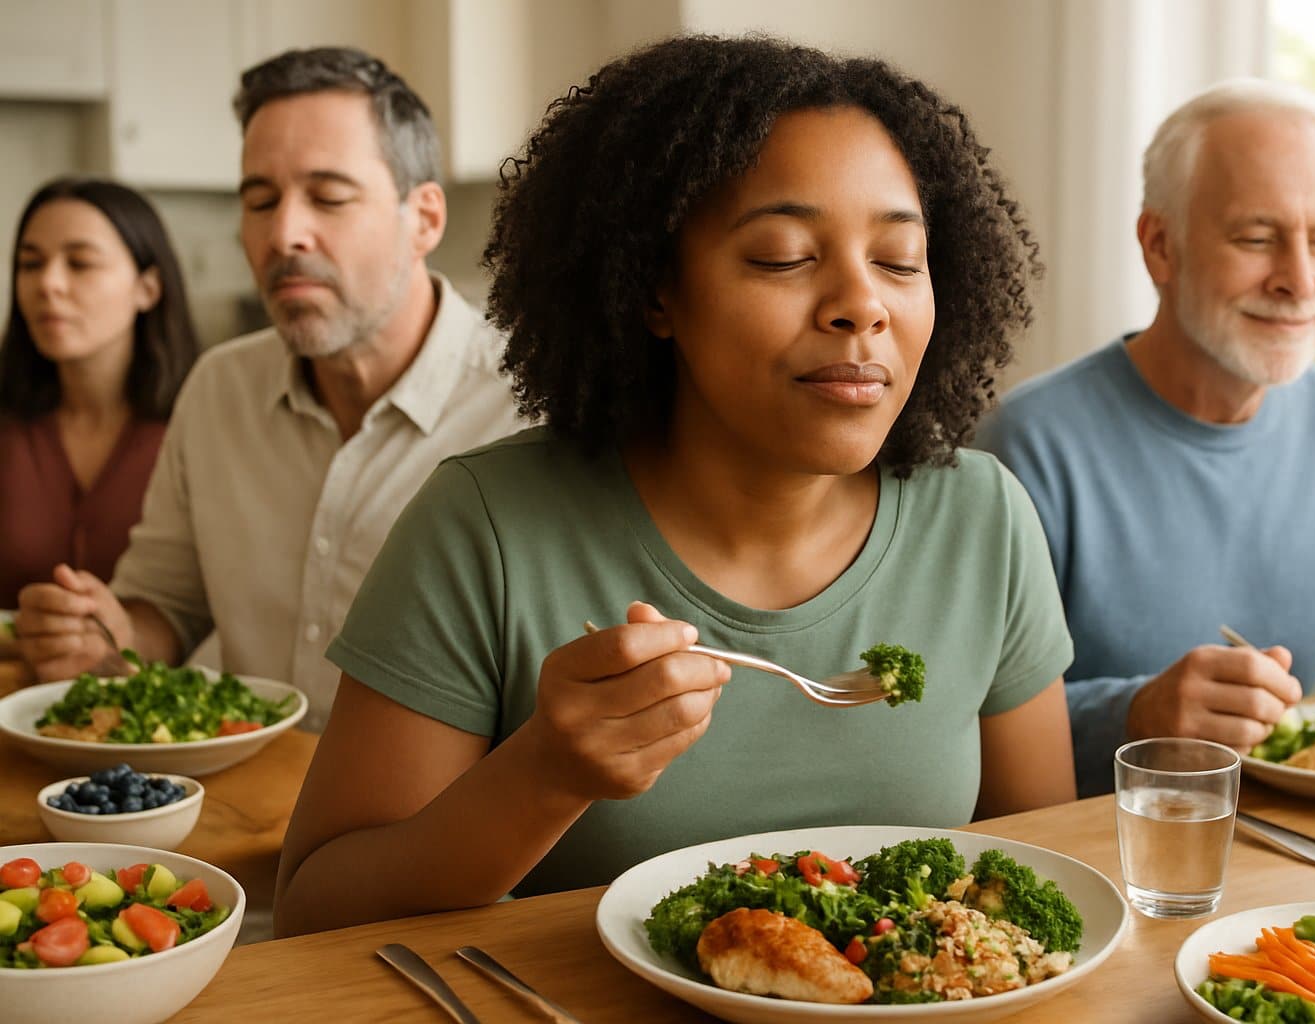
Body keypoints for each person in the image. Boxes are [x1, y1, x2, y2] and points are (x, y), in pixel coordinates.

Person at [273, 34, 1075, 937]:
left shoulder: (982, 517)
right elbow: (314, 909)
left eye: (899, 260)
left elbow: (1045, 876)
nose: (864, 304)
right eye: (781, 256)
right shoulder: (488, 527)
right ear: (656, 291)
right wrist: (547, 775)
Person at [976, 78, 1315, 797]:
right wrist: (1133, 715)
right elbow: (954, 718)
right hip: (1093, 859)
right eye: (1257, 238)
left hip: (1285, 846)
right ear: (1160, 247)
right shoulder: (1026, 445)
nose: (1299, 280)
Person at [14, 47, 526, 727]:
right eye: (259, 200)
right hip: (240, 814)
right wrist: (104, 634)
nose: (283, 234)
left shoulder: (526, 407)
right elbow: (164, 608)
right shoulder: (218, 390)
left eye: (329, 197)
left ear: (425, 219)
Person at [0, 178, 199, 611]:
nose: (48, 284)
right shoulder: (10, 427)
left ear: (148, 288)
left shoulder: (200, 424)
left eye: (80, 263)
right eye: (30, 264)